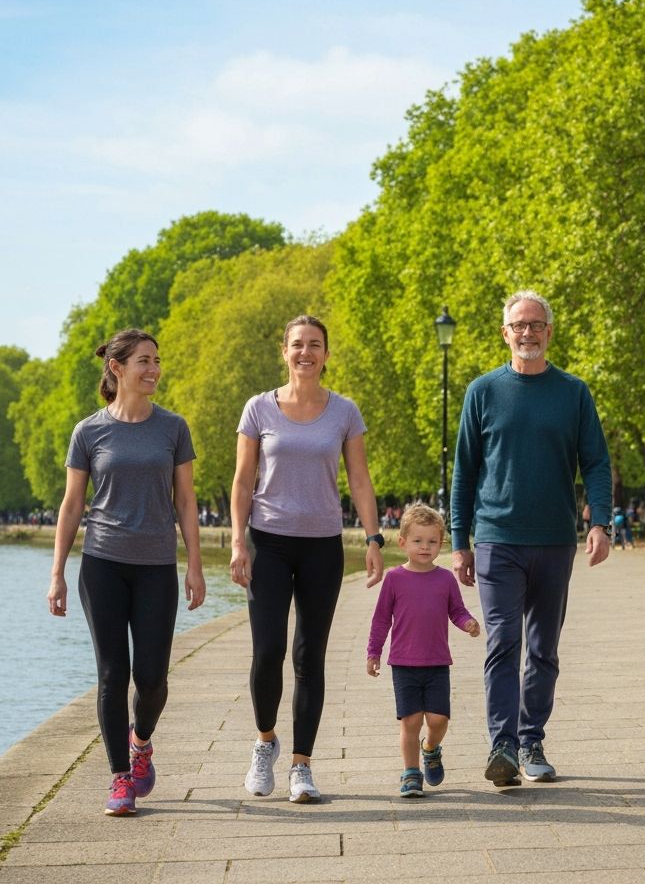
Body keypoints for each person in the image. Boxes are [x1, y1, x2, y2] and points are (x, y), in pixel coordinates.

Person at [450, 290, 613, 786]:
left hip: (555, 540)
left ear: (549, 331)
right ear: (505, 333)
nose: (527, 333)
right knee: (503, 640)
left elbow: (597, 463)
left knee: (543, 647)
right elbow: (464, 471)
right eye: (518, 325)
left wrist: (600, 522)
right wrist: (460, 541)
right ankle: (502, 744)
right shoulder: (483, 391)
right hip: (497, 538)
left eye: (536, 324)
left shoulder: (574, 392)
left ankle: (531, 738)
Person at [48, 328, 205, 816]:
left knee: (153, 677)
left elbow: (185, 500)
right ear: (117, 368)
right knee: (113, 674)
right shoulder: (89, 431)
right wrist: (56, 573)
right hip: (103, 565)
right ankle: (119, 778)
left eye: (157, 360)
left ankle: (142, 741)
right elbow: (72, 505)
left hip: (157, 565)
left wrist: (195, 565)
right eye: (144, 360)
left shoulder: (173, 428)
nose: (154, 369)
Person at [230, 315, 384, 803]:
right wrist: (237, 543)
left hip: (322, 544)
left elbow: (359, 480)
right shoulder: (258, 409)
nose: (306, 352)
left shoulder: (344, 412)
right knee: (267, 652)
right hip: (268, 541)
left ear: (326, 354)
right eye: (298, 344)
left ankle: (301, 766)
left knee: (309, 655)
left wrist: (375, 538)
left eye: (314, 345)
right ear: (285, 351)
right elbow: (241, 480)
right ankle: (264, 742)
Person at [366, 502, 481, 797]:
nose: (425, 547)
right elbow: (381, 620)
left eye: (432, 541)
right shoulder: (393, 579)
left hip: (437, 663)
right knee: (411, 721)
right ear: (403, 542)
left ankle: (430, 748)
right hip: (403, 664)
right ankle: (411, 773)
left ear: (440, 544)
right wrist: (373, 652)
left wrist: (467, 622)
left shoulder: (444, 579)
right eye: (418, 541)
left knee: (439, 719)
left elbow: (456, 610)